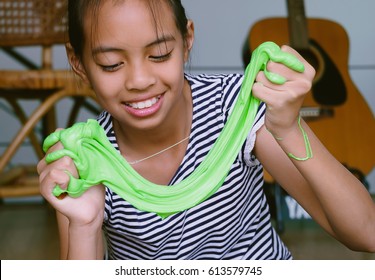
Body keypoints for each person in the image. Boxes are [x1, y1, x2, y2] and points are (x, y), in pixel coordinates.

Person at [37, 0, 375, 260]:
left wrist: (288, 129)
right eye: (111, 64)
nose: (139, 81)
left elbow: (366, 232)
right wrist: (84, 224)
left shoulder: (235, 108)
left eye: (159, 54)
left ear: (187, 41)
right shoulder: (84, 158)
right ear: (78, 62)